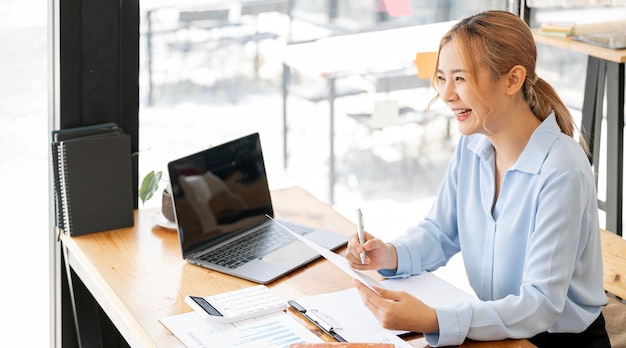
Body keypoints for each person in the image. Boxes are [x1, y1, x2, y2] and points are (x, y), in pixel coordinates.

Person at [345, 10, 611, 348]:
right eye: (441, 78)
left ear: (513, 80)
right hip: (499, 328)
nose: (445, 94)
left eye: (460, 78)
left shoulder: (562, 170)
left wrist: (432, 318)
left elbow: (540, 304)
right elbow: (441, 232)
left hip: (556, 341)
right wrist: (390, 255)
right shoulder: (472, 146)